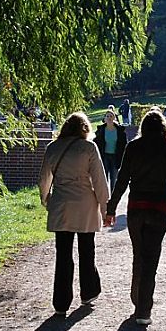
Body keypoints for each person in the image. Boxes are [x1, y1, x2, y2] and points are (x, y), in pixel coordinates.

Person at [105, 110, 166, 326]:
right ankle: (143, 308)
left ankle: (137, 297)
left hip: (136, 207)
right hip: (158, 207)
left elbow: (121, 180)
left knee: (138, 253)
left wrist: (111, 209)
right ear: (163, 127)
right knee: (152, 257)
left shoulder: (133, 147)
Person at [38, 112, 109, 315]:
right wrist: (105, 208)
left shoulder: (53, 148)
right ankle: (88, 291)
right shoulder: (88, 148)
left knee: (63, 253)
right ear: (84, 128)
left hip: (61, 203)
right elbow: (99, 180)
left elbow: (44, 179)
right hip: (85, 203)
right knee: (87, 249)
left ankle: (61, 302)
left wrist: (46, 200)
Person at [94, 110, 127, 192]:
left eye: (111, 116)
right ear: (104, 118)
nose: (109, 118)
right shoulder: (101, 130)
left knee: (114, 179)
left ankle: (112, 199)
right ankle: (104, 197)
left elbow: (124, 145)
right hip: (104, 156)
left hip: (115, 157)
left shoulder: (119, 131)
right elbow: (96, 144)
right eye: (107, 116)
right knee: (104, 179)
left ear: (114, 118)